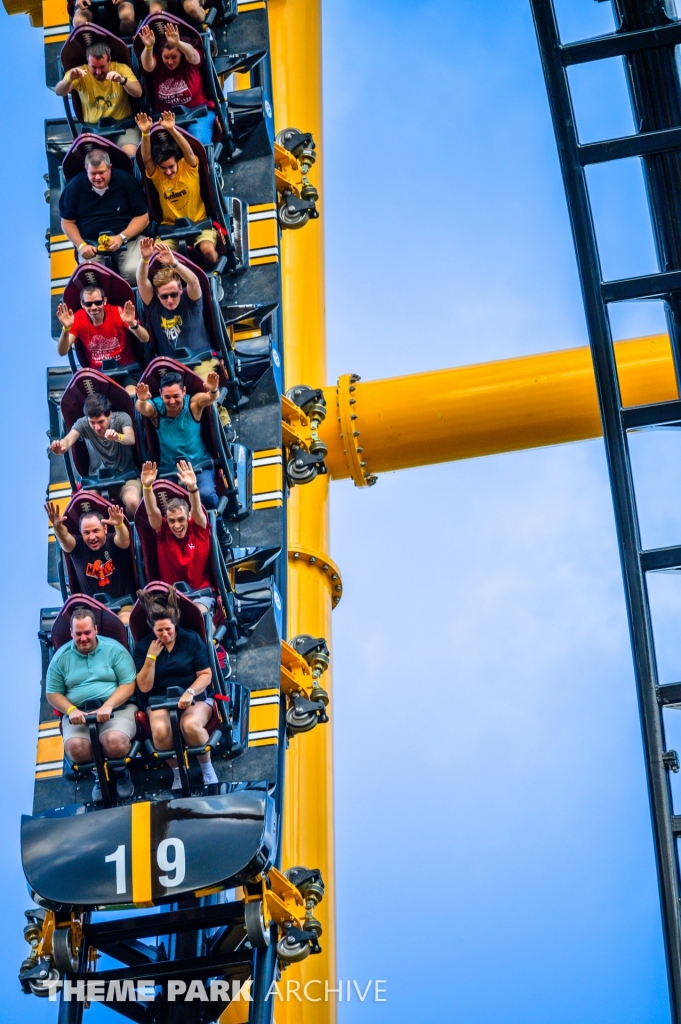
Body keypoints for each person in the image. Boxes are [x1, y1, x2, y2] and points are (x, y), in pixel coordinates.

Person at [46, 606, 137, 801]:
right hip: (79, 714)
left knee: (114, 742)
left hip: (115, 709)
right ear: (71, 633)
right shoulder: (60, 658)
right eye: (78, 634)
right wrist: (70, 710)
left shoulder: (114, 650)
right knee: (75, 748)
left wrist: (109, 705)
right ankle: (99, 774)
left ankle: (120, 771)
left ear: (95, 629)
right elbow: (52, 694)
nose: (83, 638)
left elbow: (129, 684)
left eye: (87, 632)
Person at [134, 585, 218, 788]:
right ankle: (178, 772)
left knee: (189, 725)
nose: (165, 634)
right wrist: (151, 658)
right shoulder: (145, 646)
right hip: (159, 699)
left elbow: (206, 675)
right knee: (161, 731)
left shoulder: (190, 639)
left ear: (175, 625)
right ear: (152, 629)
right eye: (159, 630)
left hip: (192, 695)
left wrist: (190, 692)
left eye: (168, 629)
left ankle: (206, 768)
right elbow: (144, 687)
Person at [135, 110, 218, 266]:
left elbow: (188, 150)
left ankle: (211, 271)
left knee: (208, 251)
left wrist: (172, 129)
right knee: (155, 258)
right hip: (170, 230)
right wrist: (145, 134)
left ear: (177, 162)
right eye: (163, 168)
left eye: (171, 167)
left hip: (199, 223)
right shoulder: (158, 176)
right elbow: (146, 160)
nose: (168, 172)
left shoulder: (188, 167)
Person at [59, 148, 149, 285]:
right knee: (92, 278)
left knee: (133, 272)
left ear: (110, 168)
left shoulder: (126, 181)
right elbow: (67, 222)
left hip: (128, 239)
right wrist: (81, 245)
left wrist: (121, 237)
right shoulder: (74, 187)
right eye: (93, 173)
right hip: (91, 244)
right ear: (86, 170)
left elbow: (143, 217)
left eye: (101, 172)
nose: (97, 178)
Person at [135, 370, 220, 508]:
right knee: (168, 504)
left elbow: (210, 398)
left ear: (184, 391)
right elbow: (143, 408)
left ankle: (218, 522)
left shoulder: (193, 404)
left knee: (206, 495)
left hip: (199, 464)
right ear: (161, 394)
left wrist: (213, 390)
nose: (172, 401)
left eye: (176, 396)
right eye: (167, 397)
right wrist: (142, 400)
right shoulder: (157, 407)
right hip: (169, 469)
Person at [140, 460, 216, 613]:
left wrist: (193, 488)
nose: (176, 525)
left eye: (181, 519)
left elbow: (197, 510)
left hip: (200, 595)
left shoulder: (199, 528)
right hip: (170, 600)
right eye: (172, 521)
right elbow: (151, 512)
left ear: (188, 517)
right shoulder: (163, 533)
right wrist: (147, 487)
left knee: (199, 615)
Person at [49, 393, 142, 517]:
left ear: (109, 415)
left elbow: (130, 438)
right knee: (85, 506)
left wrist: (118, 436)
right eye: (92, 422)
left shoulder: (121, 418)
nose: (97, 427)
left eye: (101, 422)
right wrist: (60, 448)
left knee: (133, 502)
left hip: (125, 476)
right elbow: (67, 440)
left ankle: (133, 532)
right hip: (95, 480)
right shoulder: (82, 424)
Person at [45, 502, 135, 624]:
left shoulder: (112, 541)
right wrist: (57, 526)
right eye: (87, 533)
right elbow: (65, 538)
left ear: (105, 528)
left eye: (95, 531)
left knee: (124, 621)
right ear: (81, 533)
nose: (92, 537)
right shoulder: (78, 548)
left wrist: (119, 525)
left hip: (123, 603)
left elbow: (124, 540)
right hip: (91, 610)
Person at [137, 239, 218, 373]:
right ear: (157, 294)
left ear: (181, 289)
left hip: (200, 360)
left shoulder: (190, 300)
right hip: (170, 366)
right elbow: (141, 281)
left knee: (202, 389)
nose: (169, 300)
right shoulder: (154, 305)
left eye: (174, 294)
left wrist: (174, 263)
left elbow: (194, 283)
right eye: (164, 296)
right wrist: (145, 259)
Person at [55, 43, 143, 157]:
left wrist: (122, 81)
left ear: (109, 60)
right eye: (94, 67)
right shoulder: (79, 73)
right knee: (95, 161)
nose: (98, 72)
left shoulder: (121, 68)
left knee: (130, 153)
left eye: (102, 67)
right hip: (94, 131)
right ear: (88, 62)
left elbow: (138, 92)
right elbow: (59, 91)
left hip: (123, 127)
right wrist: (68, 80)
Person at [56, 286, 149, 391]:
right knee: (96, 404)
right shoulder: (78, 318)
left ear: (104, 301)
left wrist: (132, 323)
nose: (94, 307)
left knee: (130, 395)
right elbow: (62, 351)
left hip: (127, 371)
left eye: (98, 302)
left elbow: (145, 338)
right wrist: (66, 328)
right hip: (98, 374)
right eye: (88, 304)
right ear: (82, 304)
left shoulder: (118, 312)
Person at [138, 22, 215, 146]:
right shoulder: (158, 65)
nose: (170, 61)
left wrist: (178, 43)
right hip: (166, 118)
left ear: (181, 55)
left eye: (174, 57)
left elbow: (192, 54)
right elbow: (147, 65)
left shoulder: (190, 63)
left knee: (199, 141)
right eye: (166, 57)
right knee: (158, 147)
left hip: (198, 113)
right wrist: (148, 47)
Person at [71, 0, 141, 37]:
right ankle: (91, 50)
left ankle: (125, 43)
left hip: (120, 3)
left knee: (126, 15)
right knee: (79, 22)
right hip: (89, 3)